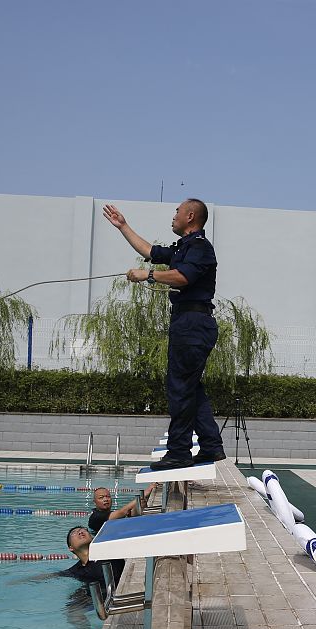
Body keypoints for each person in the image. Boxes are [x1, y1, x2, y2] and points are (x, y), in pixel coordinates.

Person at [103, 199, 226, 470]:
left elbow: (183, 277)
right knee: (191, 388)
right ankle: (211, 446)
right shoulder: (184, 247)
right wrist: (123, 226)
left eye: (177, 212)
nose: (173, 216)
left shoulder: (200, 248)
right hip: (188, 321)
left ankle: (179, 452)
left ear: (190, 216)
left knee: (180, 388)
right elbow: (150, 251)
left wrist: (148, 275)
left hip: (193, 322)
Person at [80, 485, 154, 587]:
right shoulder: (96, 517)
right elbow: (123, 512)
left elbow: (132, 514)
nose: (105, 499)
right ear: (94, 502)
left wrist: (141, 504)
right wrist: (145, 493)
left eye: (108, 496)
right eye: (101, 498)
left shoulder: (110, 514)